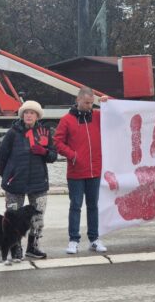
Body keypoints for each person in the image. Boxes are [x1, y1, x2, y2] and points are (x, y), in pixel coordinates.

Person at [0, 100, 57, 260]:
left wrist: (44, 152)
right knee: (13, 217)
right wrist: (7, 174)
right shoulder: (13, 132)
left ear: (37, 116)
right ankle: (15, 247)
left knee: (38, 218)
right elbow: (0, 155)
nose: (29, 115)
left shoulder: (44, 132)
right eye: (26, 113)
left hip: (38, 182)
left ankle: (33, 247)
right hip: (15, 183)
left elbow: (53, 156)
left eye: (32, 113)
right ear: (22, 115)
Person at [54, 87, 108, 254]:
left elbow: (116, 115)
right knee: (75, 206)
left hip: (95, 171)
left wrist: (108, 102)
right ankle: (73, 240)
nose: (90, 106)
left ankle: (94, 239)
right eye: (86, 103)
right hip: (76, 172)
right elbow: (57, 142)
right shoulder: (66, 120)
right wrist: (73, 155)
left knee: (93, 206)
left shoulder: (98, 116)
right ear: (78, 100)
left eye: (92, 103)